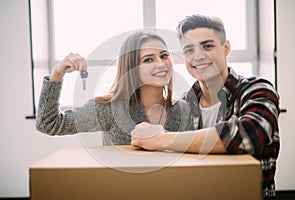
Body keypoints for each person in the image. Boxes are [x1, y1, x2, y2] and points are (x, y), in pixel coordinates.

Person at [131, 15, 280, 199]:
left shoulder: (258, 90)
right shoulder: (184, 104)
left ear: (226, 48)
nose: (198, 56)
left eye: (207, 46)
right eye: (189, 50)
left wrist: (162, 139)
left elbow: (248, 134)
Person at [36, 31, 193, 145]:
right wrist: (57, 73)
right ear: (132, 68)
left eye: (164, 56)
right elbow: (48, 124)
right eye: (148, 59)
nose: (161, 64)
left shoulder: (183, 110)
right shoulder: (109, 109)